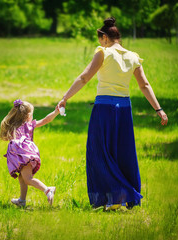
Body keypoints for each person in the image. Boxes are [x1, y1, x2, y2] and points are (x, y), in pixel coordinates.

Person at [57, 17, 168, 211]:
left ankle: (116, 196)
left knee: (98, 152)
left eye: (100, 39)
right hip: (125, 110)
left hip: (104, 109)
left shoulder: (103, 52)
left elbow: (84, 77)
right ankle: (121, 197)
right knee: (122, 153)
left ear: (104, 37)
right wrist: (158, 109)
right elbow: (144, 85)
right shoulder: (133, 56)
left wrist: (65, 97)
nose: (100, 43)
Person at [0, 99, 60, 207]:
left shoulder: (13, 127)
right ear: (27, 116)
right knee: (22, 178)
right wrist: (56, 112)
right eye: (32, 114)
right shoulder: (28, 125)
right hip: (27, 155)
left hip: (23, 156)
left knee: (27, 179)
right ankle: (22, 201)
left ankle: (47, 190)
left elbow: (8, 139)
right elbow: (46, 120)